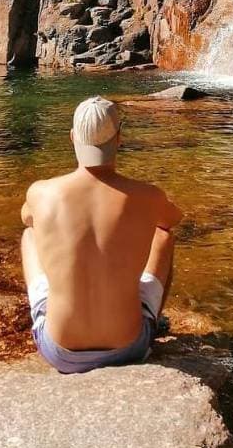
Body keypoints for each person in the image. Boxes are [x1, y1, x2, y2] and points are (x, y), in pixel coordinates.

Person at [20, 95, 183, 374]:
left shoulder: (41, 191)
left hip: (59, 351)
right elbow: (173, 220)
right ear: (119, 139)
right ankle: (154, 318)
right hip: (130, 347)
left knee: (30, 234)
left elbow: (26, 217)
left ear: (72, 138)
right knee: (164, 235)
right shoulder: (148, 195)